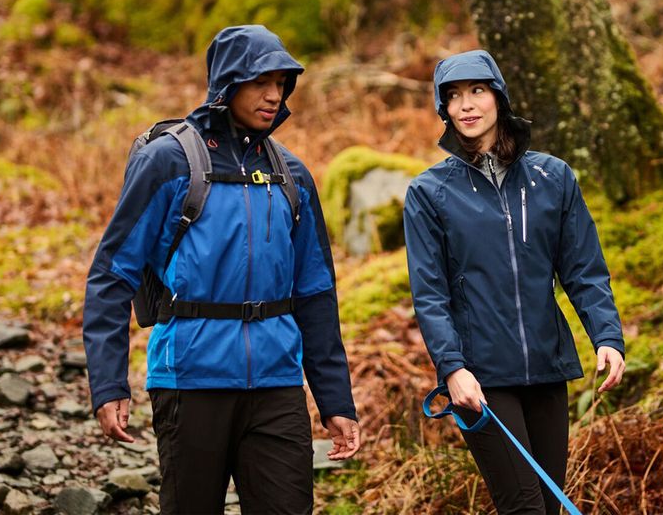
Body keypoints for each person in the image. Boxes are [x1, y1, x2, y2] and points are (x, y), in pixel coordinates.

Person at [82, 25, 360, 515]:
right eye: (261, 82)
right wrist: (108, 384)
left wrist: (335, 401)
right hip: (191, 380)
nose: (274, 95)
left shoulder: (292, 175)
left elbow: (315, 292)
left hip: (277, 386)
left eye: (282, 83)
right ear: (228, 84)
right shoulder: (167, 162)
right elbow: (112, 272)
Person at [403, 49, 625, 515]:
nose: (466, 105)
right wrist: (452, 368)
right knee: (524, 508)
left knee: (549, 504)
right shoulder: (429, 193)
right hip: (479, 379)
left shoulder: (552, 177)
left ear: (498, 98)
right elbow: (430, 294)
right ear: (443, 110)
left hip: (547, 367)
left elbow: (582, 266)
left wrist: (606, 335)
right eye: (454, 96)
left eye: (477, 91)